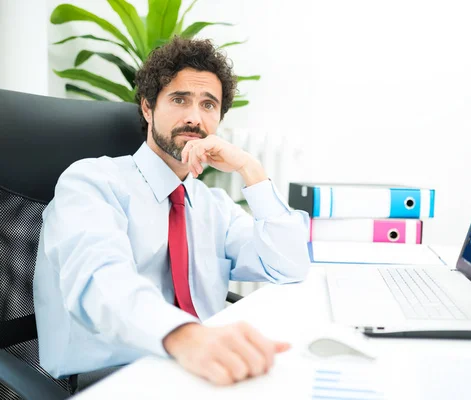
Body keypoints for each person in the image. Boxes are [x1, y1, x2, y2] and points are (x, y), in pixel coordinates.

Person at [33, 37, 310, 387]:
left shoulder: (213, 206)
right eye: (180, 100)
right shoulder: (92, 183)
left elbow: (289, 265)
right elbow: (101, 282)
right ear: (148, 108)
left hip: (198, 369)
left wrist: (250, 168)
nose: (195, 117)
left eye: (209, 105)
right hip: (111, 378)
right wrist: (186, 337)